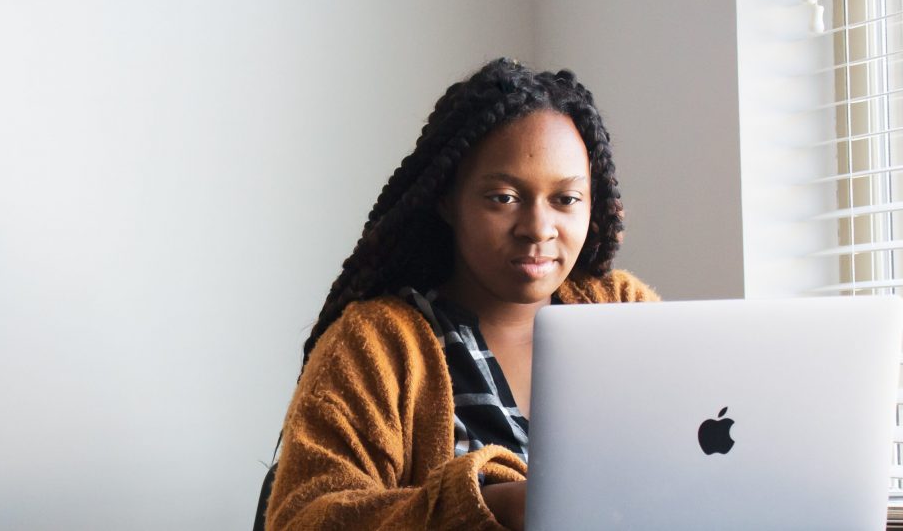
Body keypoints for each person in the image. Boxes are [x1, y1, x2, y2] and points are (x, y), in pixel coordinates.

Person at [262, 58, 659, 531]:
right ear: (448, 200)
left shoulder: (622, 311)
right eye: (503, 198)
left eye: (565, 199)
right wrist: (487, 507)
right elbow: (302, 519)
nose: (537, 228)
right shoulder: (376, 345)